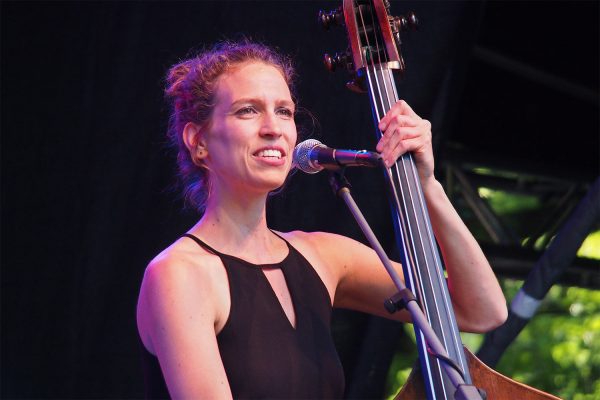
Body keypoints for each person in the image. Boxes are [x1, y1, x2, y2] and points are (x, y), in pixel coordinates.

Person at [136, 40, 507, 399]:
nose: (274, 127)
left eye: (284, 111)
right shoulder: (179, 273)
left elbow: (480, 310)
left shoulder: (323, 257)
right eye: (247, 110)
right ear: (198, 141)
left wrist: (426, 184)